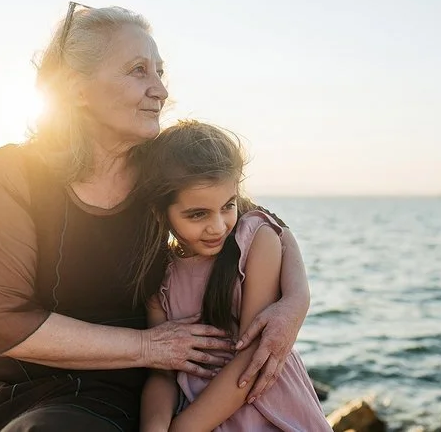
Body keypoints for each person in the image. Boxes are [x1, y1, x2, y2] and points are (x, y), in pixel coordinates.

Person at [0, 3, 312, 432]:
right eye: (139, 70)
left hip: (115, 390)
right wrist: (149, 346)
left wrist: (295, 302)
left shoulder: (162, 169)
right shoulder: (15, 170)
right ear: (77, 89)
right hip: (9, 381)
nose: (161, 90)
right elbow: (4, 323)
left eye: (160, 72)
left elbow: (259, 220)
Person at [136, 121, 330, 432]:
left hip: (266, 409)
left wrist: (182, 429)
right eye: (198, 214)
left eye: (227, 206)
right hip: (199, 415)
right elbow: (162, 373)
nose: (217, 226)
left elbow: (253, 354)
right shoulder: (159, 274)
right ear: (161, 212)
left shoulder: (255, 239)